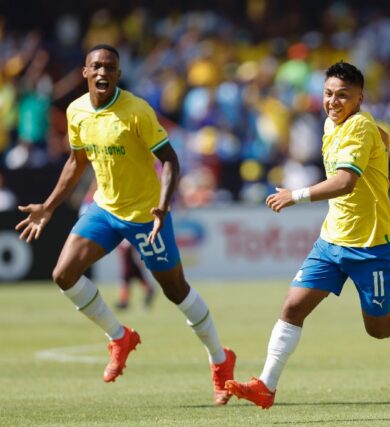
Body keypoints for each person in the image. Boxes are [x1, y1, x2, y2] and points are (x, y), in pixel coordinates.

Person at [224, 61, 390, 409]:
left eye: (343, 96)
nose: (333, 102)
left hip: (372, 247)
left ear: (360, 98)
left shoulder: (359, 128)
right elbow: (381, 137)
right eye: (328, 94)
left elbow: (345, 182)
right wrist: (380, 144)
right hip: (332, 241)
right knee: (293, 306)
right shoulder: (334, 124)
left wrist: (297, 194)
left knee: (378, 330)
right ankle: (266, 385)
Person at [15, 44, 236, 405]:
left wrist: (163, 207)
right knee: (63, 275)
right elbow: (76, 162)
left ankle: (220, 360)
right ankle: (120, 337)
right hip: (104, 209)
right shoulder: (76, 111)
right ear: (85, 72)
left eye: (110, 68)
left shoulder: (137, 111)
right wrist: (49, 207)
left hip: (145, 215)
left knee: (176, 290)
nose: (103, 73)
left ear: (118, 74)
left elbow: (170, 161)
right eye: (96, 67)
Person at [115, 240, 155, 311]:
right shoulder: (123, 243)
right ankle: (124, 303)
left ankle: (146, 300)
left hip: (132, 267)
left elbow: (136, 253)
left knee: (126, 284)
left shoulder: (128, 242)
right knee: (125, 285)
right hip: (128, 267)